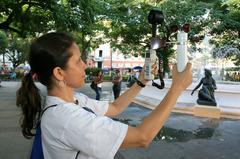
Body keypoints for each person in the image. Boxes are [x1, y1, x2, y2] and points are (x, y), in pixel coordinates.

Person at [16, 32, 192, 159]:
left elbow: (115, 108)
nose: (85, 65)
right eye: (78, 61)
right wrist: (177, 88)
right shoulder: (67, 118)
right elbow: (142, 137)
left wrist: (140, 82)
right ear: (59, 73)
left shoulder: (75, 100)